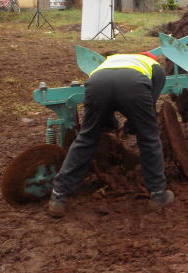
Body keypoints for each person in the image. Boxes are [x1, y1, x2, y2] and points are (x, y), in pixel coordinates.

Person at [48, 52, 174, 217]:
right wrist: (130, 127)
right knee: (149, 137)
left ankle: (58, 196)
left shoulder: (109, 61)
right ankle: (158, 194)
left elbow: (106, 108)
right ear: (153, 59)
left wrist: (114, 126)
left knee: (86, 138)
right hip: (133, 85)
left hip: (97, 83)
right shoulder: (154, 67)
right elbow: (148, 104)